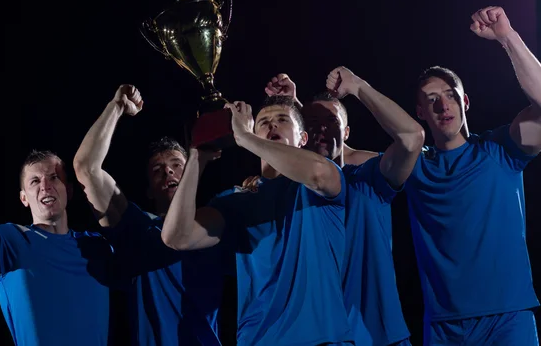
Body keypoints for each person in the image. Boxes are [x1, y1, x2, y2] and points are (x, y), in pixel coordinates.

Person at [161, 65, 424, 346]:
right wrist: (196, 158)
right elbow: (176, 237)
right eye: (263, 122)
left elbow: (319, 170)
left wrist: (248, 137)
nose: (272, 125)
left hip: (332, 339)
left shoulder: (328, 184)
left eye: (283, 119)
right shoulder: (237, 199)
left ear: (303, 138)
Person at [407, 6, 541, 345]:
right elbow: (339, 161)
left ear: (465, 101)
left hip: (507, 320)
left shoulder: (499, 150)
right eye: (432, 99)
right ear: (420, 112)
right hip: (444, 328)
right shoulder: (412, 165)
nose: (443, 105)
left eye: (450, 95)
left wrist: (507, 38)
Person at [260, 73, 412, 345]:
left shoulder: (367, 175)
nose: (321, 129)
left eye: (332, 122)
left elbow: (411, 139)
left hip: (377, 331)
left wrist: (358, 87)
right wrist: (294, 108)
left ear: (347, 132)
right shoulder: (289, 190)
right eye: (312, 124)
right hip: (321, 334)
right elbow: (305, 156)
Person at [0, 112, 114, 346]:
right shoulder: (10, 242)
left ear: (69, 190)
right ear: (24, 198)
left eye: (54, 178)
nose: (45, 186)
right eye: (35, 181)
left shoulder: (97, 247)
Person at [73, 84, 225, 346]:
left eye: (177, 165)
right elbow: (86, 168)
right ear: (149, 190)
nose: (168, 172)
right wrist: (116, 106)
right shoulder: (137, 226)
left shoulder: (216, 221)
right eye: (158, 169)